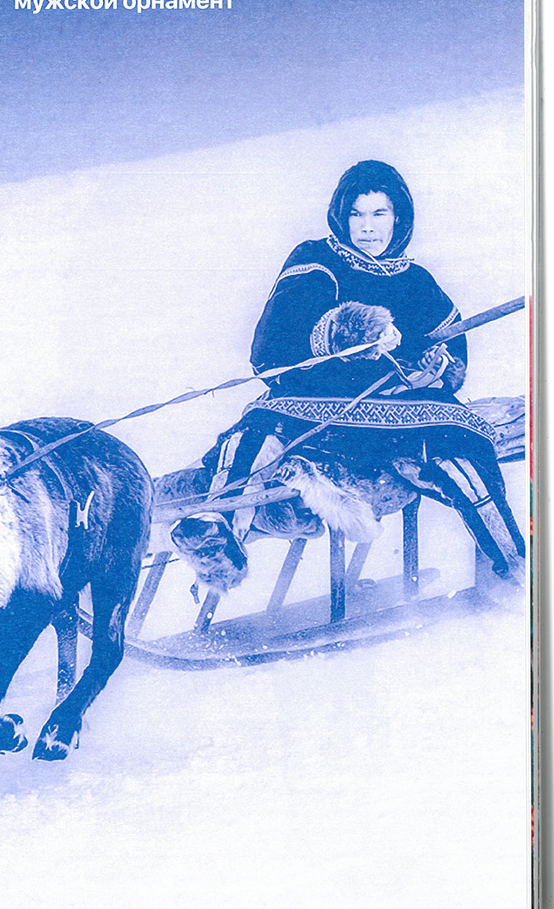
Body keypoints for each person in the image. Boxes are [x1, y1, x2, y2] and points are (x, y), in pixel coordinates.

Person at [170, 160, 524, 591]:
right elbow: (273, 345)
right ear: (342, 216)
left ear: (399, 218)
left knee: (459, 451)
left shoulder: (417, 281)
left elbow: (451, 350)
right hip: (313, 404)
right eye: (357, 214)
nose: (367, 227)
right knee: (257, 436)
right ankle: (215, 535)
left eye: (379, 213)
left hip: (400, 412)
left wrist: (433, 370)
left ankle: (514, 569)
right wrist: (353, 331)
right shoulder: (316, 260)